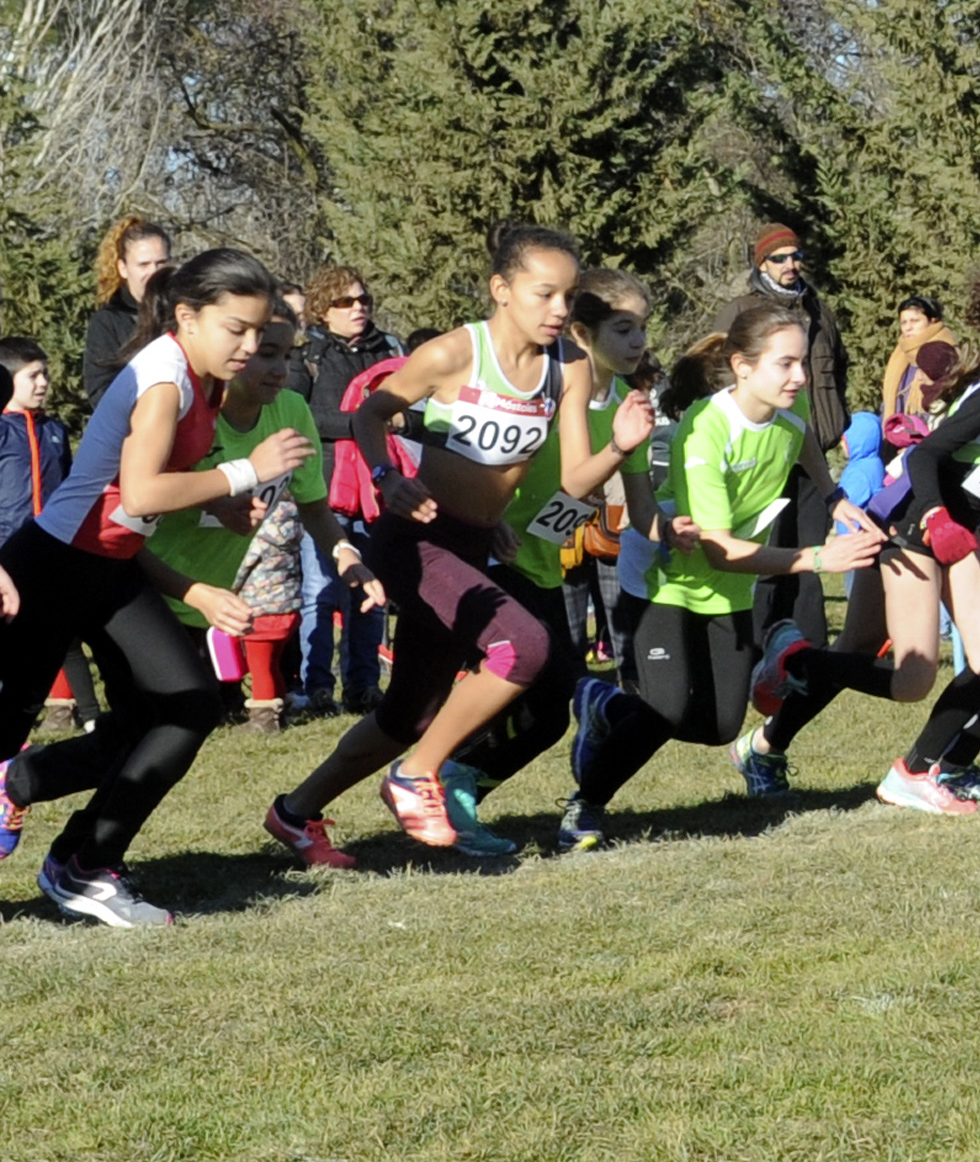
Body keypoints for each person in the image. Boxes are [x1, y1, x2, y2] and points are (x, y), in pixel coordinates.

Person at [263, 226, 652, 864]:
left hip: (473, 544)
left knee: (411, 712)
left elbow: (579, 476)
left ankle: (294, 813)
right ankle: (419, 777)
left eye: (569, 295)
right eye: (545, 294)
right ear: (502, 290)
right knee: (522, 647)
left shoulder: (570, 367)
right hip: (414, 540)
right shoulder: (452, 354)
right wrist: (387, 478)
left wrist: (619, 448)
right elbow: (369, 413)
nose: (560, 310)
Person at [0, 249, 305, 927]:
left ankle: (84, 866)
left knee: (185, 706)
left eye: (260, 332)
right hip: (50, 567)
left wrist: (207, 511)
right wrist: (241, 476)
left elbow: (130, 508)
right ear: (188, 317)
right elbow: (139, 489)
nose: (251, 347)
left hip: (110, 568)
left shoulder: (202, 378)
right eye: (238, 330)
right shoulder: (166, 378)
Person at [747, 276, 980, 813]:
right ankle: (800, 673)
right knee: (913, 677)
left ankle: (920, 768)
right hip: (912, 523)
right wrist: (939, 517)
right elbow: (925, 457)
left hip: (957, 524)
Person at [562, 305, 886, 847]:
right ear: (742, 366)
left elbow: (800, 435)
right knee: (664, 707)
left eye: (802, 363)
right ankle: (585, 806)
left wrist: (832, 496)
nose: (800, 377)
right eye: (785, 364)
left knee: (717, 729)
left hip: (729, 586)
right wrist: (816, 559)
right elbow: (719, 551)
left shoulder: (789, 404)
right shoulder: (705, 432)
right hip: (668, 578)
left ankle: (608, 707)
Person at [434, 268, 660, 854]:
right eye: (623, 328)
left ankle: (457, 781)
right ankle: (441, 778)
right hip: (488, 551)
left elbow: (640, 511)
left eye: (643, 329)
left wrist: (690, 533)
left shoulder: (629, 405)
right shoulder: (556, 386)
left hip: (539, 563)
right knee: (543, 686)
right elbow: (537, 470)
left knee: (547, 713)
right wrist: (493, 516)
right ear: (582, 333)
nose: (638, 342)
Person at [145, 317, 384, 738]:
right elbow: (139, 496)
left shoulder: (291, 411)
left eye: (287, 356)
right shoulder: (187, 408)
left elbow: (313, 506)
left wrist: (347, 556)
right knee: (156, 729)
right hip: (153, 587)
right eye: (267, 355)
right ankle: (19, 780)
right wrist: (218, 497)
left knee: (181, 729)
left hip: (216, 597)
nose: (280, 369)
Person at [717, 225, 852, 651]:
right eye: (780, 258)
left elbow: (839, 369)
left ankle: (807, 648)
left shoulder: (818, 309)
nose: (791, 264)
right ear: (762, 264)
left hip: (812, 451)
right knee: (769, 555)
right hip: (762, 452)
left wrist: (839, 422)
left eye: (796, 255)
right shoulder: (740, 311)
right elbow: (716, 370)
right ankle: (756, 645)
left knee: (810, 554)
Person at [294, 264, 402, 717]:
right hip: (325, 490)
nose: (358, 308)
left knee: (371, 592)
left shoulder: (391, 350)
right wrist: (364, 423)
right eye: (345, 302)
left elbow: (409, 412)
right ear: (323, 310)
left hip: (378, 489)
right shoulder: (306, 359)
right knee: (320, 592)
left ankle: (363, 686)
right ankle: (316, 687)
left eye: (364, 300)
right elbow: (301, 417)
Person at [0, 338, 99, 733]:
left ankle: (92, 717)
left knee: (66, 635)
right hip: (7, 552)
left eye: (45, 373)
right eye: (33, 375)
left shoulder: (53, 429)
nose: (43, 383)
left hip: (54, 549)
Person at [81, 216, 171, 404]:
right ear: (123, 268)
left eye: (161, 263)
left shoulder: (184, 314)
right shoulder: (108, 322)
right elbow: (100, 390)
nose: (154, 272)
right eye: (143, 265)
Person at [881, 295, 958, 420]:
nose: (908, 327)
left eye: (915, 321)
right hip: (899, 433)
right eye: (904, 322)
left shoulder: (945, 354)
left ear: (932, 321)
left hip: (934, 431)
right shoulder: (900, 354)